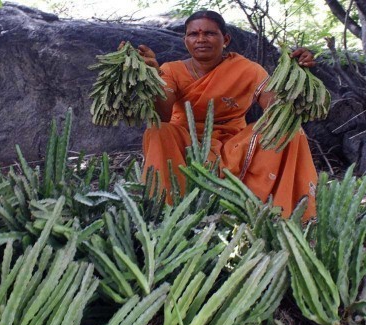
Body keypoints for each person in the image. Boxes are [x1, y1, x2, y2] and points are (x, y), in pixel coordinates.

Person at [129, 10, 319, 220]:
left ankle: (277, 212)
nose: (201, 39)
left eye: (209, 33)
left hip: (234, 145)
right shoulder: (172, 70)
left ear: (225, 39)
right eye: (194, 34)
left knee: (288, 129)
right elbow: (161, 116)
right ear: (185, 41)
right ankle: (165, 212)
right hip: (185, 143)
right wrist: (152, 77)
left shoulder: (248, 70)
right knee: (158, 130)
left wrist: (295, 73)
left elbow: (277, 112)